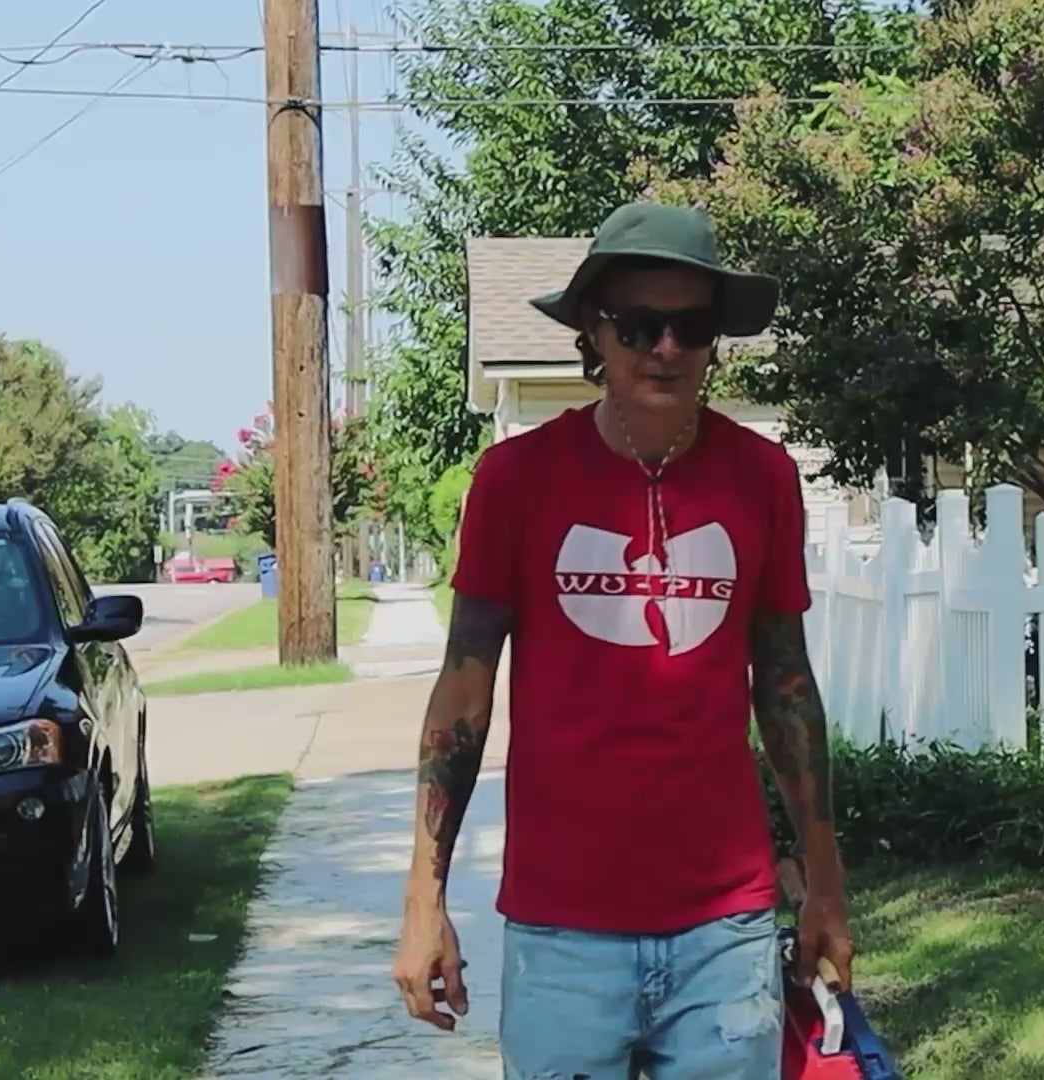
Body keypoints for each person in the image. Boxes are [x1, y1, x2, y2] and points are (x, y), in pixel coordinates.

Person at [391, 202, 854, 1079]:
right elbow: (463, 690)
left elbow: (786, 685)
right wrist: (424, 898)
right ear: (594, 335)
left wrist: (824, 884)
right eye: (640, 325)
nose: (666, 348)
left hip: (724, 927)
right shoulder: (516, 480)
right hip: (561, 928)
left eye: (693, 326)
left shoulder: (761, 478)